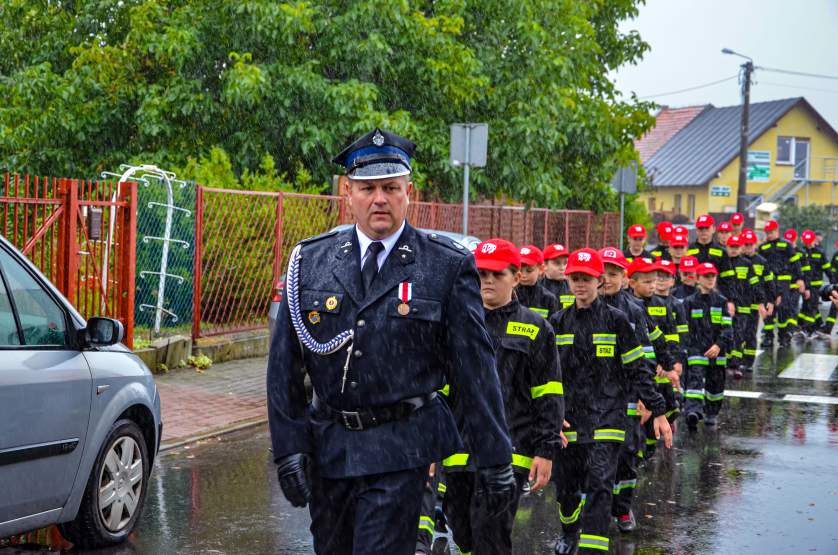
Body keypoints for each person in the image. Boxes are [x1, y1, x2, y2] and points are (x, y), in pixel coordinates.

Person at [267, 128, 515, 555]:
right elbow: (284, 369)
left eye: (390, 188)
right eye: (367, 189)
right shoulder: (310, 261)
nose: (378, 199)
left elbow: (475, 369)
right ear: (348, 193)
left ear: (408, 193)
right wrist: (288, 449)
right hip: (331, 446)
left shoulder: (444, 266)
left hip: (400, 448)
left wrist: (495, 456)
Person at [442, 238, 564, 555]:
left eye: (497, 274)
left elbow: (548, 392)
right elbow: (440, 388)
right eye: (482, 274)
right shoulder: (456, 323)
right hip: (459, 449)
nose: (489, 281)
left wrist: (546, 450)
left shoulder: (536, 328)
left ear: (516, 277)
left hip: (511, 448)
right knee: (462, 529)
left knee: (490, 534)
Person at [550, 249, 672, 555]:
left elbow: (638, 369)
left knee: (600, 484)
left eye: (586, 279)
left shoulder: (617, 321)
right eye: (575, 278)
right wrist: (550, 414)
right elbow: (544, 374)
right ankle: (568, 531)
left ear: (599, 281)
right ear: (568, 281)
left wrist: (657, 408)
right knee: (566, 489)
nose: (580, 284)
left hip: (608, 418)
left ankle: (593, 549)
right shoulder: (557, 322)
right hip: (569, 419)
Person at [598, 247, 654, 533]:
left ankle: (622, 509)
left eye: (614, 273)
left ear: (624, 277)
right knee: (597, 457)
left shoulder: (634, 311)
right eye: (603, 272)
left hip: (628, 396)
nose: (606, 279)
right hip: (595, 397)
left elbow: (645, 358)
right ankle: (598, 509)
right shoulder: (585, 306)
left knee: (627, 455)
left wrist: (646, 398)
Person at [682, 263, 734, 430]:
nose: (710, 280)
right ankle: (693, 411)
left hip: (717, 350)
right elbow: (684, 328)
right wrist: (687, 347)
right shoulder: (689, 302)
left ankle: (711, 413)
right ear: (697, 279)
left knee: (716, 383)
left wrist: (719, 345)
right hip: (696, 349)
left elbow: (727, 328)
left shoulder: (721, 301)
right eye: (706, 276)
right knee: (695, 380)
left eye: (712, 276)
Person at [759, 220, 805, 347]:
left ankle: (783, 336)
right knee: (769, 309)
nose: (770, 235)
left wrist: (800, 278)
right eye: (767, 232)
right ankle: (768, 336)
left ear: (777, 231)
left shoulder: (786, 245)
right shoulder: (762, 247)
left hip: (784, 280)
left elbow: (796, 262)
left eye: (772, 232)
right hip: (768, 281)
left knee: (783, 308)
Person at [716, 235, 756, 377]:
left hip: (742, 306)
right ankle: (725, 363)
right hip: (723, 304)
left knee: (738, 336)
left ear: (741, 248)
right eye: (731, 247)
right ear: (726, 247)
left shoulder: (747, 264)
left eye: (736, 247)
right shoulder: (722, 261)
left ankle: (735, 365)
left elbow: (754, 285)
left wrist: (760, 302)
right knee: (724, 334)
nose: (733, 250)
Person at [741, 230, 774, 371]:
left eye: (750, 245)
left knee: (750, 334)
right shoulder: (736, 260)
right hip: (739, 303)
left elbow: (769, 282)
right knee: (737, 334)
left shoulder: (762, 261)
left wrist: (770, 301)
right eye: (745, 244)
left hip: (754, 303)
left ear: (755, 244)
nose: (748, 247)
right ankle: (736, 361)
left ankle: (748, 363)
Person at [798, 230, 829, 337]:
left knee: (812, 306)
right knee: (806, 307)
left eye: (809, 241)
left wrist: (834, 281)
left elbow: (827, 268)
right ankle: (815, 326)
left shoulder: (820, 253)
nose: (807, 244)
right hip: (805, 285)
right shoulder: (801, 252)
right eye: (805, 242)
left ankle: (807, 330)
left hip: (815, 286)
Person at [516, 245, 560, 319]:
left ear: (541, 269)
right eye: (520, 270)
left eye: (529, 271)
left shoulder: (548, 299)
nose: (523, 275)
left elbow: (552, 327)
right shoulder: (509, 295)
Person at [542, 243, 575, 309]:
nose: (562, 268)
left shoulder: (573, 288)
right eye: (557, 263)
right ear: (545, 266)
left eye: (565, 263)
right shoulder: (537, 289)